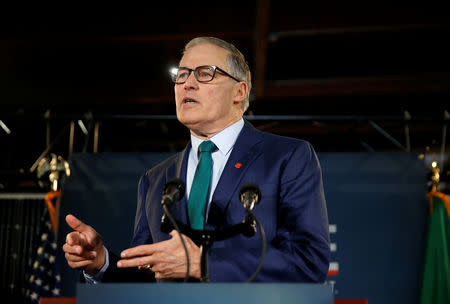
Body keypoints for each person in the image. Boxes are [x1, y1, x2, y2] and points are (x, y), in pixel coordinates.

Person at [63, 36, 330, 283]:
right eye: (181, 75)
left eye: (205, 73)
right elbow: (147, 276)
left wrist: (203, 264)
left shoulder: (286, 157)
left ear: (239, 92)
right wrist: (101, 263)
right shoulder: (156, 179)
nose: (187, 84)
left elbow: (308, 263)